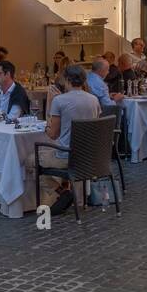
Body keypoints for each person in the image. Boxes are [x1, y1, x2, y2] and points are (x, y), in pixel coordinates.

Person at [41, 63, 101, 215]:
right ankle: (76, 199)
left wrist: (46, 125)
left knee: (28, 162)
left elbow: (53, 134)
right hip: (88, 155)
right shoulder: (94, 100)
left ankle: (62, 192)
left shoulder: (59, 101)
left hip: (67, 156)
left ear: (66, 80)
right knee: (71, 158)